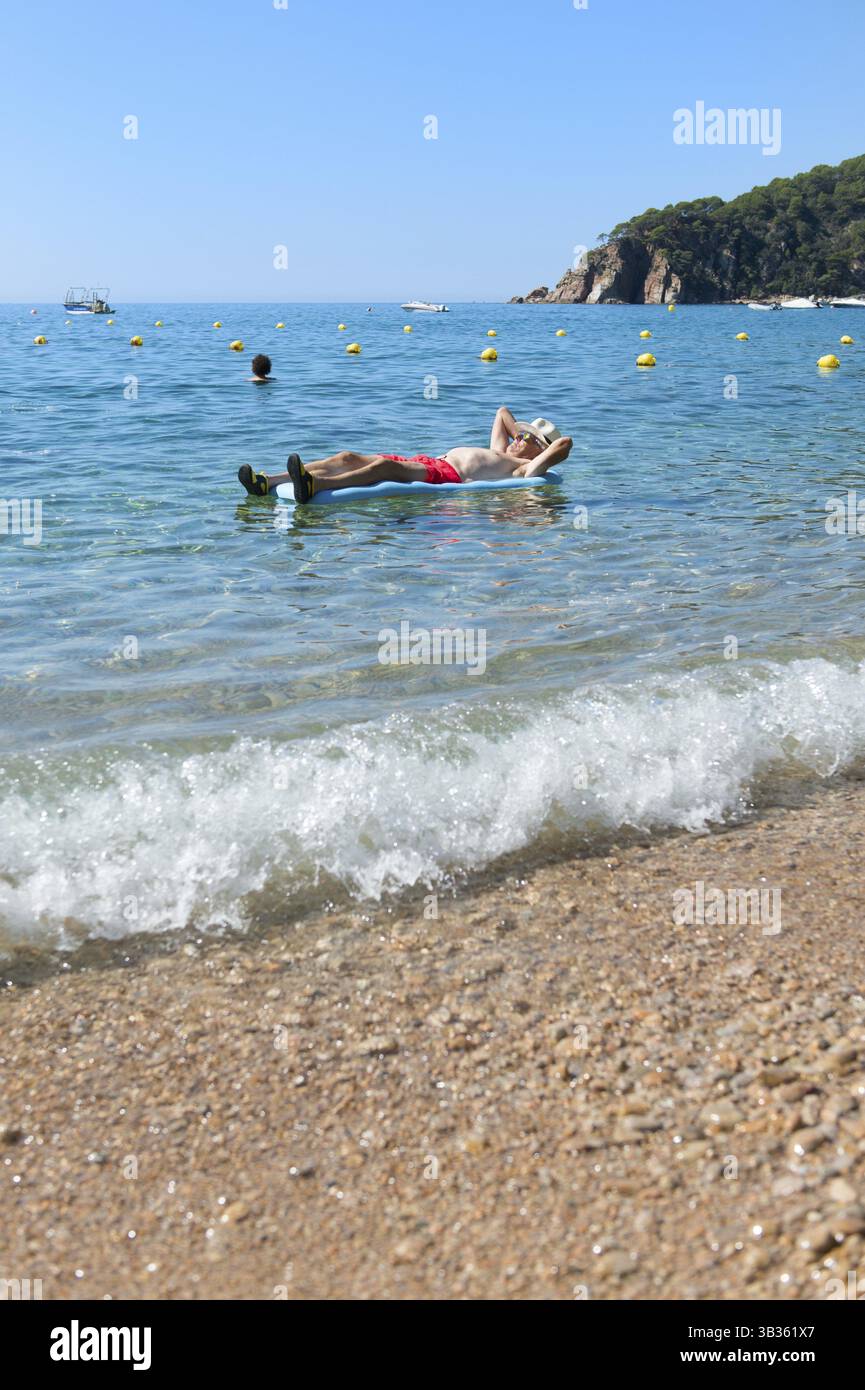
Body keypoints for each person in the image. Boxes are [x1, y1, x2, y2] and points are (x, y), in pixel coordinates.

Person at [237, 407, 572, 501]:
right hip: (432, 461)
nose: (518, 437)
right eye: (520, 433)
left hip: (446, 477)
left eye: (527, 437)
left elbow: (564, 444)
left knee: (383, 466)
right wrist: (520, 434)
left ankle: (315, 485)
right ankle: (268, 481)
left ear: (537, 449)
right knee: (348, 456)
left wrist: (532, 448)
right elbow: (502, 412)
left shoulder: (524, 469)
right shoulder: (501, 449)